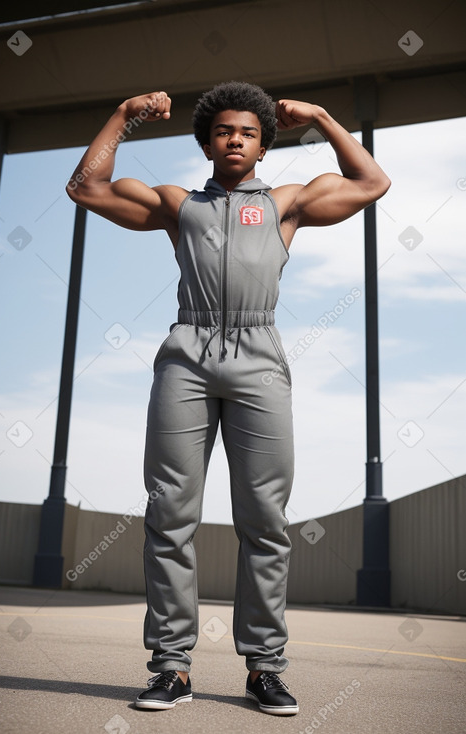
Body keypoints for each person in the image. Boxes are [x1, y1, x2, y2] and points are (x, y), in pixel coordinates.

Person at [66, 81, 390, 716]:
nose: (235, 138)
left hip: (260, 358)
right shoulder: (178, 204)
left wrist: (322, 116)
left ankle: (265, 668)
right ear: (207, 142)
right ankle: (171, 667)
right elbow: (85, 188)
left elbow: (372, 182)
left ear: (263, 145)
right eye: (223, 131)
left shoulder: (286, 204)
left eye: (247, 132)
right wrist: (124, 114)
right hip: (187, 355)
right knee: (169, 515)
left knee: (265, 521)